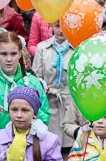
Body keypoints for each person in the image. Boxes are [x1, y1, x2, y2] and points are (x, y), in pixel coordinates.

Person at [0, 33, 49, 158]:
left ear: (20, 54)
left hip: (27, 151)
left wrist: (31, 117)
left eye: (13, 54)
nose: (9, 59)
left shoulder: (32, 82)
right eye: (4, 54)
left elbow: (44, 115)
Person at [31, 22, 74, 152]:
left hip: (68, 103)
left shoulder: (77, 48)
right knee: (48, 146)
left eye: (65, 26)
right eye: (57, 26)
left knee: (68, 146)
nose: (61, 31)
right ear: (51, 27)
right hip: (48, 103)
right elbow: (36, 76)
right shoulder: (42, 48)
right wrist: (42, 87)